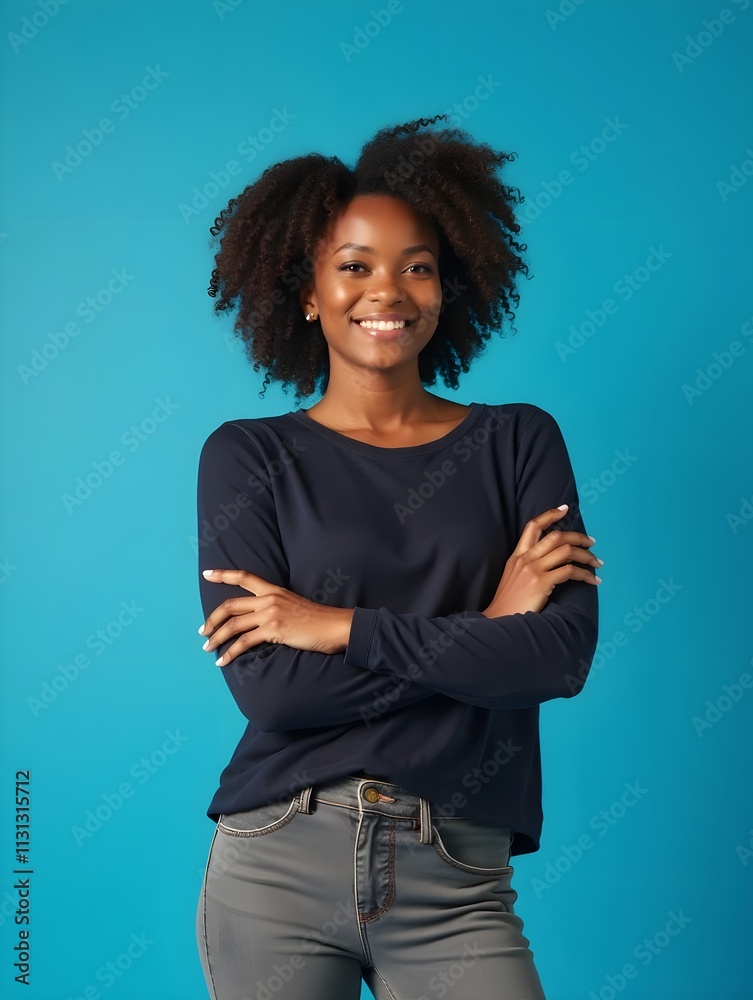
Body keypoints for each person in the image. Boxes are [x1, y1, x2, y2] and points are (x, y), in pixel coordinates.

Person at [194, 114, 601, 1000]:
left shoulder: (517, 443)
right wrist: (488, 632)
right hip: (277, 863)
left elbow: (557, 659)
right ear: (305, 292)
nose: (389, 289)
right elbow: (272, 690)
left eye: (416, 265)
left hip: (457, 874)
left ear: (446, 285)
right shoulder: (247, 456)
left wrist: (336, 627)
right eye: (354, 265)